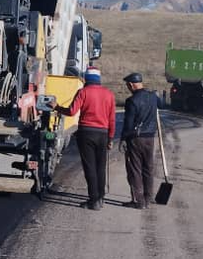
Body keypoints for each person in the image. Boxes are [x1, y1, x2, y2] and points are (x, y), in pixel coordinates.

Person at [55, 67, 116, 210]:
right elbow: (112, 119)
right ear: (99, 79)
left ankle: (93, 199)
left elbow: (71, 111)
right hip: (103, 133)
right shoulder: (109, 94)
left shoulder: (83, 92)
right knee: (100, 167)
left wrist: (56, 107)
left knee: (90, 167)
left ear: (86, 79)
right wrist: (111, 138)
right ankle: (100, 197)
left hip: (86, 132)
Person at [121, 72, 159, 209]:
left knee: (135, 169)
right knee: (148, 168)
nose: (128, 88)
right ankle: (148, 198)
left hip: (136, 138)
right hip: (150, 138)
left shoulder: (131, 101)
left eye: (127, 85)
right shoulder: (153, 97)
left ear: (131, 84)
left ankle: (139, 201)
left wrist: (123, 138)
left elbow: (128, 123)